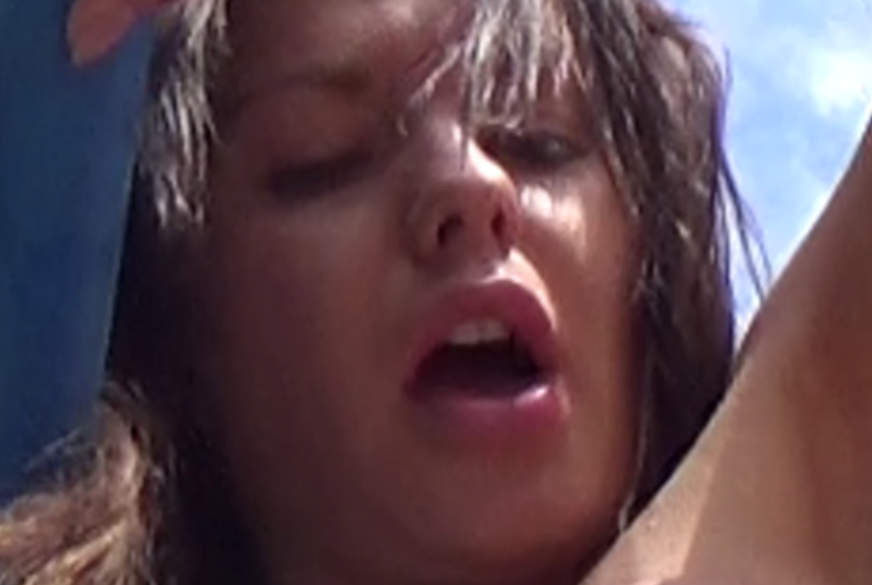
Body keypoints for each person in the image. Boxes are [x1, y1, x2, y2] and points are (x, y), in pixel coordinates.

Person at [1, 0, 869, 584]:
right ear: (185, 336)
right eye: (327, 157)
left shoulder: (793, 476)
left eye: (539, 141)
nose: (469, 184)